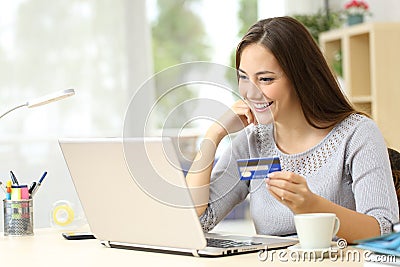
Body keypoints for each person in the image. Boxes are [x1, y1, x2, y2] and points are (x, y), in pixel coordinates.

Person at [185, 16, 399, 243]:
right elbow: (194, 221)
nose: (251, 93)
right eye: (243, 78)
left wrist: (311, 205)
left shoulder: (357, 134)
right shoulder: (252, 144)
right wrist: (214, 135)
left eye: (266, 79)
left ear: (300, 78)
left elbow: (383, 231)